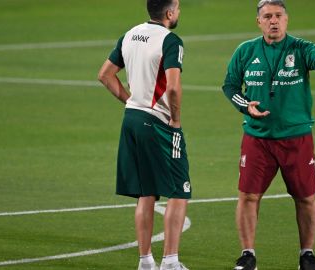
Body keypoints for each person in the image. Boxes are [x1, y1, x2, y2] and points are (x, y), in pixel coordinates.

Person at [222, 0, 315, 269]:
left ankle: (306, 255)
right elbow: (230, 85)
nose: (274, 21)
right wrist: (243, 105)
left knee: (305, 197)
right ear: (258, 21)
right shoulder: (246, 51)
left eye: (279, 16)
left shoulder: (301, 48)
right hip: (257, 138)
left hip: (297, 138)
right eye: (268, 16)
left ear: (287, 19)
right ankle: (248, 255)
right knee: (248, 196)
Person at [98, 0, 190, 269]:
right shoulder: (171, 40)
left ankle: (145, 261)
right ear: (169, 12)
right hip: (158, 123)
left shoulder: (129, 34)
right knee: (179, 190)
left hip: (132, 120)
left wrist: (131, 100)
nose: (179, 12)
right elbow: (173, 87)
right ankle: (171, 262)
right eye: (178, 7)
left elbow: (105, 75)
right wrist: (175, 119)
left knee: (146, 192)